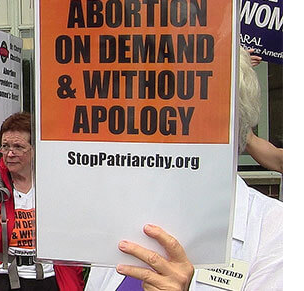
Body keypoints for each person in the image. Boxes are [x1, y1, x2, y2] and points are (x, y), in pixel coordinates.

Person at [85, 47, 282, 291]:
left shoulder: (275, 229)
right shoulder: (126, 216)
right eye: (151, 111)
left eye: (193, 113)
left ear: (235, 126)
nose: (168, 129)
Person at [0, 112, 83, 291]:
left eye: (18, 147)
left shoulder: (56, 181)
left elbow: (74, 235)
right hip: (1, 278)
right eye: (5, 146)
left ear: (35, 148)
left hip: (50, 278)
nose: (10, 153)